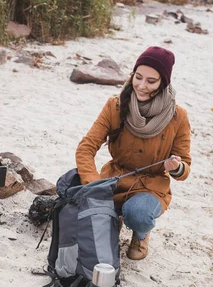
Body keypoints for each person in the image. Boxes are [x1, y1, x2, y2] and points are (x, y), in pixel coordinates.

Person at [75, 46, 191, 261]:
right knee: (92, 216)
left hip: (151, 186)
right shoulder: (115, 106)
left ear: (163, 82)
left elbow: (185, 167)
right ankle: (113, 218)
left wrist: (177, 167)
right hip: (113, 180)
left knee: (138, 214)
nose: (141, 86)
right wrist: (92, 183)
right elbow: (86, 148)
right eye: (138, 77)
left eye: (151, 81)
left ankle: (141, 234)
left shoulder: (178, 117)